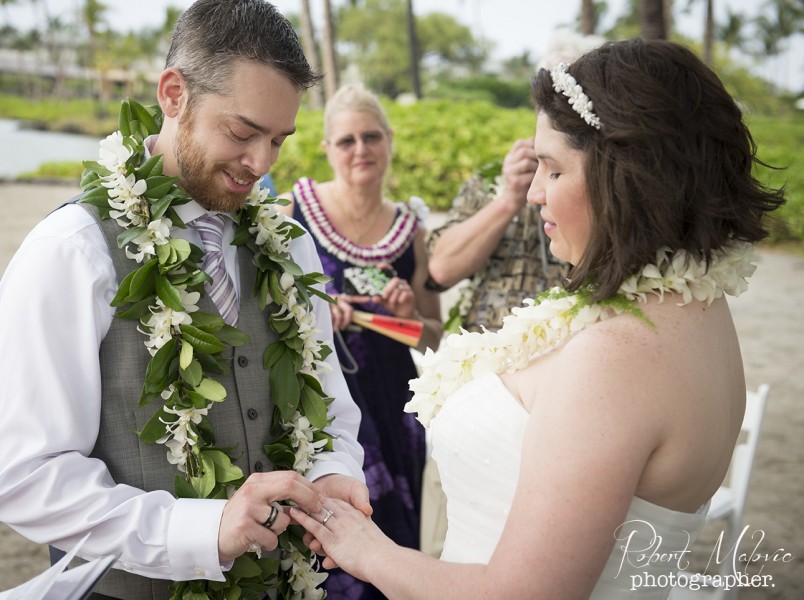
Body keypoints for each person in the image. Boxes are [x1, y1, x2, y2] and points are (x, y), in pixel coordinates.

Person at [290, 38, 786, 599]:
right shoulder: (702, 307)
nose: (532, 194)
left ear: (624, 176)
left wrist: (367, 549)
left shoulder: (619, 354)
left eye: (552, 170)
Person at [0, 2, 368, 599]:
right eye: (242, 133)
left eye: (278, 141)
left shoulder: (291, 247)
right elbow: (28, 479)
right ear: (173, 94)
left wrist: (334, 473)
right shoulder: (70, 251)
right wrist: (199, 530)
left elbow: (334, 415)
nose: (261, 165)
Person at [276, 83, 443, 598]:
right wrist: (314, 308)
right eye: (346, 140)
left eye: (371, 136)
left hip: (394, 401)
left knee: (396, 529)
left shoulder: (410, 228)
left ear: (389, 141)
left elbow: (433, 335)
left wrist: (406, 313)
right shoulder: (291, 212)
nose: (361, 149)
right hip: (324, 399)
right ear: (327, 149)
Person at [425, 139, 570, 333]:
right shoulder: (491, 180)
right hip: (486, 348)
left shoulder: (592, 179)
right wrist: (509, 200)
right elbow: (441, 271)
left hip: (567, 343)